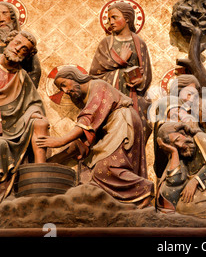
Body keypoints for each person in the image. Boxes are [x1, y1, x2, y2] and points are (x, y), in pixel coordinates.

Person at [36, 66, 153, 209]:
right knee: (89, 170)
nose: (65, 91)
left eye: (64, 85)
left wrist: (60, 140)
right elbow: (87, 133)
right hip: (112, 127)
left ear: (74, 77)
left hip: (121, 122)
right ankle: (115, 205)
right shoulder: (85, 98)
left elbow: (88, 120)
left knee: (107, 168)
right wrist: (54, 161)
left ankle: (144, 189)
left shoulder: (98, 85)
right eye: (61, 90)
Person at [0, 30, 49, 208]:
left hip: (16, 130)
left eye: (24, 49)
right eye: (17, 43)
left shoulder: (22, 76)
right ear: (9, 42)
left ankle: (38, 180)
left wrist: (34, 113)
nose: (18, 49)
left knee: (38, 123)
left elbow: (34, 103)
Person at [89, 1, 152, 141]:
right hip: (110, 98)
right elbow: (95, 74)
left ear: (127, 18)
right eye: (108, 19)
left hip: (133, 96)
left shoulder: (139, 43)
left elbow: (146, 73)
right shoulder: (106, 43)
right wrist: (120, 61)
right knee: (110, 134)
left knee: (135, 132)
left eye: (114, 17)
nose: (110, 22)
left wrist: (140, 80)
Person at [155, 122, 206, 218]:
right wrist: (174, 152)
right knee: (177, 202)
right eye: (174, 145)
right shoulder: (180, 151)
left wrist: (195, 180)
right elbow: (174, 182)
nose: (180, 145)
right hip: (193, 187)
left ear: (183, 133)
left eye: (178, 139)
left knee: (184, 207)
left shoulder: (200, 137)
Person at [0, 2, 41, 88]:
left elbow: (34, 73)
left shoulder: (26, 47)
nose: (1, 19)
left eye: (5, 13)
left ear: (12, 18)